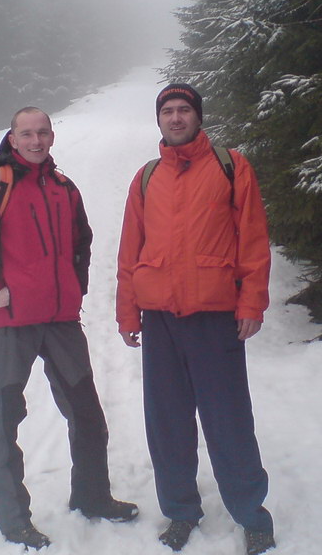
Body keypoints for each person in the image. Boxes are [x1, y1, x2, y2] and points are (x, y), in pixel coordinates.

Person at [0, 107, 137, 550]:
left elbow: (82, 242)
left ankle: (92, 498)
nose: (35, 140)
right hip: (13, 324)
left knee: (86, 414)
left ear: (51, 136)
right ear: (12, 138)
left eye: (42, 132)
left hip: (62, 321)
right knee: (6, 419)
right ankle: (13, 518)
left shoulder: (64, 188)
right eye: (26, 133)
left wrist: (75, 287)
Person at [116, 84, 276, 555]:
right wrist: (128, 310)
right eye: (168, 110)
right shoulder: (146, 179)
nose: (176, 117)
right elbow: (129, 251)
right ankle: (181, 511)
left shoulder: (230, 166)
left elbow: (253, 239)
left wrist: (252, 303)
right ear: (159, 121)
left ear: (198, 117)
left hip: (214, 317)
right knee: (167, 422)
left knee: (228, 420)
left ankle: (251, 514)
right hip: (161, 319)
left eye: (184, 109)